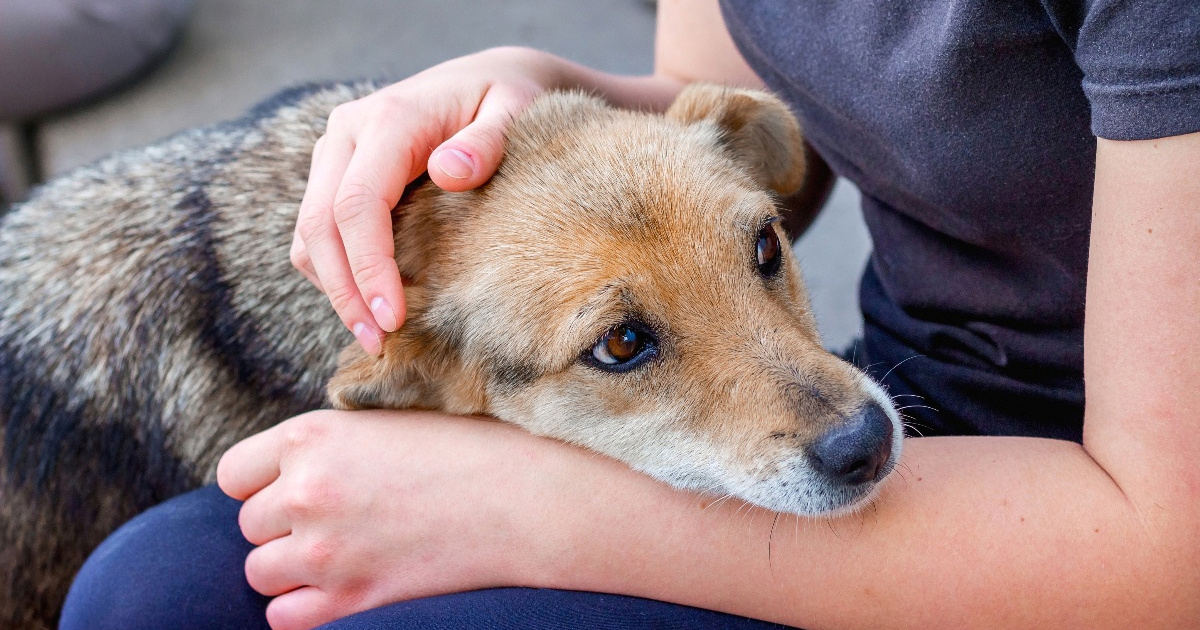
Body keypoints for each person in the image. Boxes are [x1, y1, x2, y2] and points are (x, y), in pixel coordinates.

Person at [61, 0, 1200, 628]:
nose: (835, 421)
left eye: (763, 255)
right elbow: (735, 130)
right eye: (625, 343)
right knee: (143, 596)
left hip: (1092, 509)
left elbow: (1174, 557)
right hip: (928, 378)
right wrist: (537, 84)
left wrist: (526, 507)